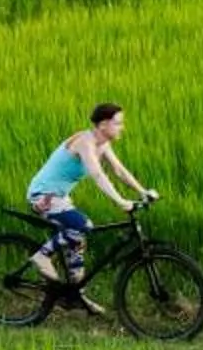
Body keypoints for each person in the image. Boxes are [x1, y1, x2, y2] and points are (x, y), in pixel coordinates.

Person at [25, 103, 155, 312]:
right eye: (118, 123)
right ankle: (42, 255)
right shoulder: (84, 142)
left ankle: (76, 295)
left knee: (78, 242)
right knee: (83, 225)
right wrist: (120, 201)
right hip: (44, 197)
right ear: (103, 124)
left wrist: (143, 192)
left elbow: (119, 171)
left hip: (60, 198)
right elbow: (97, 174)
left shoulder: (102, 144)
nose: (122, 127)